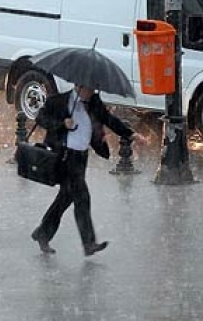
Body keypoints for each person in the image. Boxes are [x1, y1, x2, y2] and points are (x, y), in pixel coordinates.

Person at [31, 84, 145, 256]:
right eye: (89, 89)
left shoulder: (94, 102)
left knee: (66, 197)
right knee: (82, 197)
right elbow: (41, 119)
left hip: (81, 157)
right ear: (78, 85)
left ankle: (42, 233)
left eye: (94, 90)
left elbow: (109, 119)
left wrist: (130, 134)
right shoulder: (58, 101)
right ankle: (89, 243)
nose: (92, 92)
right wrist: (62, 124)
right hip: (64, 156)